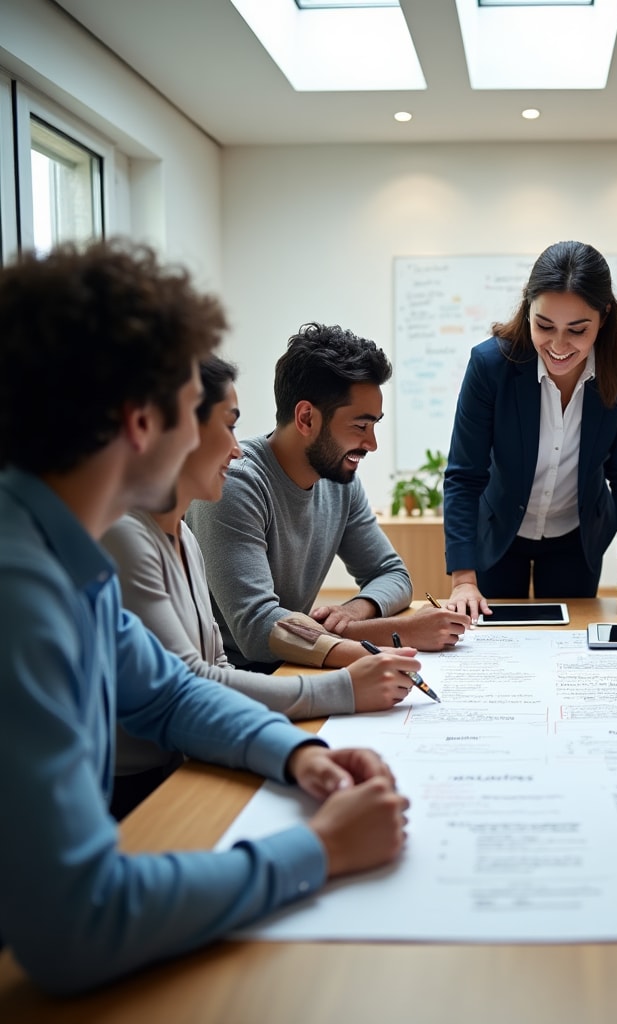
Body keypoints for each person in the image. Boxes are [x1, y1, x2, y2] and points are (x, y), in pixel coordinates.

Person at [0, 240, 409, 994]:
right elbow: (75, 924)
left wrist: (292, 755)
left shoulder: (59, 551)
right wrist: (317, 853)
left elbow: (165, 692)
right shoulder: (21, 595)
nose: (212, 438)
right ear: (139, 423)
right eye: (198, 411)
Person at [102, 354, 422, 819]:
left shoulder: (183, 537)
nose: (236, 449)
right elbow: (196, 682)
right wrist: (346, 682)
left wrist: (300, 754)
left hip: (184, 756)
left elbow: (211, 669)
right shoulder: (127, 535)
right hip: (123, 787)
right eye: (228, 427)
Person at [187, 322, 470, 671]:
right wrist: (399, 632)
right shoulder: (236, 484)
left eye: (374, 426)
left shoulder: (339, 480)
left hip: (301, 664)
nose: (372, 444)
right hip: (242, 682)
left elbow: (392, 574)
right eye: (360, 426)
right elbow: (259, 631)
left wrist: (353, 611)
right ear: (306, 418)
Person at [443, 240, 617, 621]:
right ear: (528, 308)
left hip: (577, 537)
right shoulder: (490, 365)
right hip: (498, 533)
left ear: (604, 317)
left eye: (577, 330)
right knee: (496, 645)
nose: (559, 345)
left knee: (570, 645)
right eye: (545, 326)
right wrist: (463, 579)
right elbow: (464, 475)